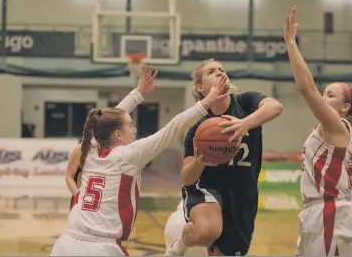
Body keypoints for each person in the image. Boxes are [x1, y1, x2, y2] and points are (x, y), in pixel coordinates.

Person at [50, 65, 229, 256]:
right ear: (118, 134)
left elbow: (107, 119)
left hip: (66, 243)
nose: (134, 130)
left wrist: (139, 92)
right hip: (101, 247)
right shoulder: (128, 156)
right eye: (130, 125)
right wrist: (206, 102)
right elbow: (173, 127)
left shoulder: (91, 147)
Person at [165, 59, 284, 256]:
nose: (220, 73)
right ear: (200, 87)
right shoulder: (196, 130)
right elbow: (187, 178)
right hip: (207, 188)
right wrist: (199, 162)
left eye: (222, 70)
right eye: (212, 71)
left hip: (242, 192)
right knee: (207, 232)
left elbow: (275, 107)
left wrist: (244, 124)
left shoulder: (245, 103)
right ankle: (180, 243)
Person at [283, 6, 352, 256]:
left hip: (329, 212)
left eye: (330, 95)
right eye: (324, 93)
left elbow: (306, 87)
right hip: (322, 213)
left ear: (344, 107)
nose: (323, 97)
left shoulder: (337, 126)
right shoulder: (346, 136)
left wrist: (290, 42)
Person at [64, 66, 158, 209]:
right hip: (83, 203)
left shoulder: (116, 150)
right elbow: (69, 176)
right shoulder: (82, 149)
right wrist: (78, 195)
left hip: (105, 204)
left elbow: (118, 115)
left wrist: (139, 92)